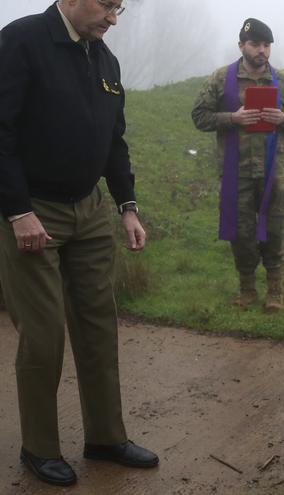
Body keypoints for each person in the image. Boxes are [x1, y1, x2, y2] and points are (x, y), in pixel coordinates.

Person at [0, 0, 158, 487]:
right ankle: (40, 447)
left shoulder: (105, 59)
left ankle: (106, 436)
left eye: (120, 8)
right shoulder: (21, 41)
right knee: (45, 332)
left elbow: (114, 140)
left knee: (98, 325)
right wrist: (18, 211)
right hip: (33, 212)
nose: (113, 18)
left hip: (89, 211)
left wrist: (127, 205)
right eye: (107, 5)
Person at [192, 18, 284, 312]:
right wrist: (232, 118)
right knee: (240, 231)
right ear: (241, 45)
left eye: (266, 45)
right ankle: (247, 290)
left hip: (274, 171)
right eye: (255, 44)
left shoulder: (283, 81)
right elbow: (199, 116)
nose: (261, 51)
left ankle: (274, 292)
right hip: (237, 170)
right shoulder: (221, 79)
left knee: (274, 229)